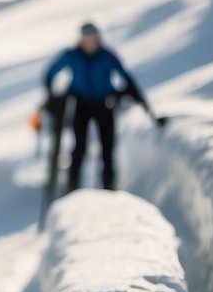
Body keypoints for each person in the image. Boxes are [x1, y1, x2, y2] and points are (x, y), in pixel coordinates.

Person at [43, 22, 149, 193]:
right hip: (81, 105)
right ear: (81, 40)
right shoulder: (72, 55)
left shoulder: (107, 56)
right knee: (80, 146)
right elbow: (50, 74)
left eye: (93, 39)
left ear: (98, 38)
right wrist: (53, 96)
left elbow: (126, 77)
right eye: (86, 39)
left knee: (107, 147)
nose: (90, 43)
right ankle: (73, 185)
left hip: (104, 104)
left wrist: (139, 101)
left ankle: (109, 185)